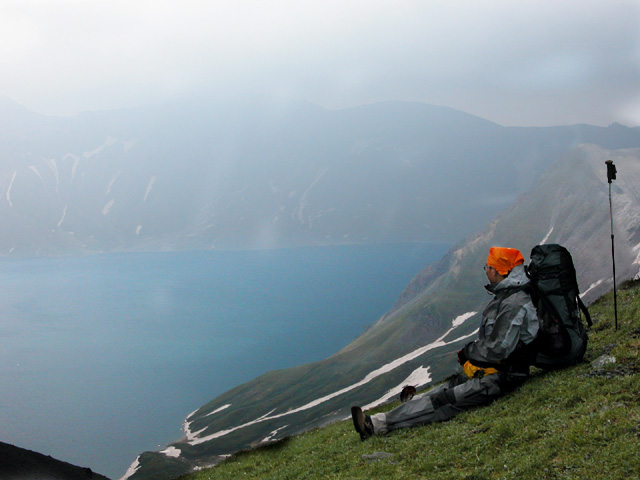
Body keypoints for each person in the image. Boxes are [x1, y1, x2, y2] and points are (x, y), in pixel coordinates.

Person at [351, 247, 539, 440]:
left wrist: (469, 353)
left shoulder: (514, 303)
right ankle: (413, 403)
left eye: (488, 267)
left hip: (503, 377)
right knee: (448, 386)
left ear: (499, 271)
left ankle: (375, 425)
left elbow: (499, 349)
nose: (486, 271)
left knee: (443, 401)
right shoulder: (509, 296)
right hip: (493, 370)